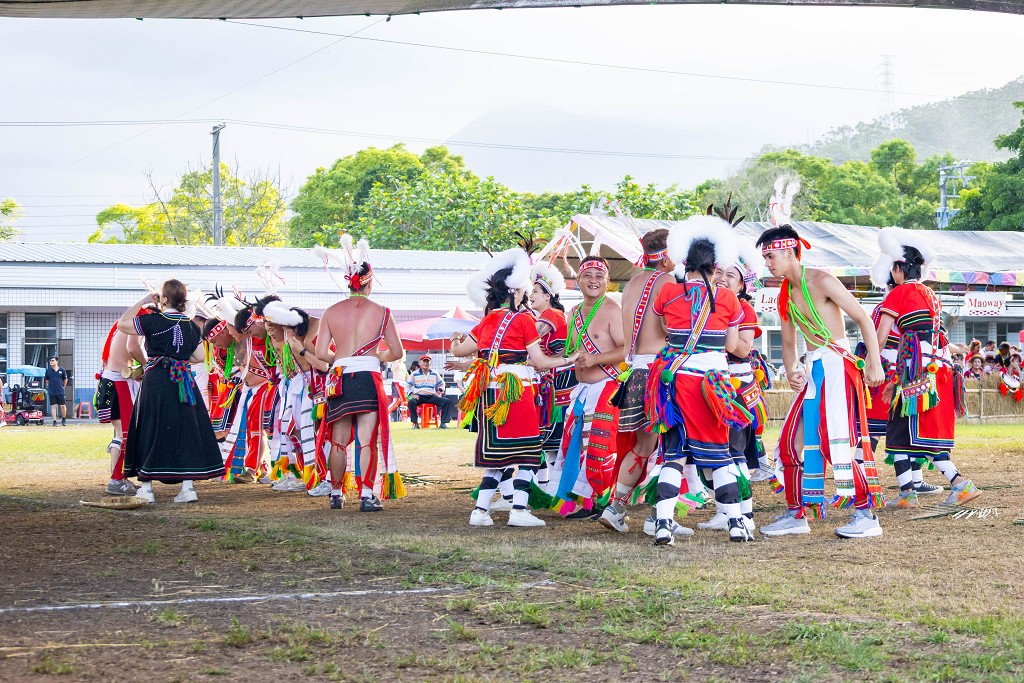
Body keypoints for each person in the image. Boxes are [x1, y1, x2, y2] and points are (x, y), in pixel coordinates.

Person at [756, 224, 886, 539]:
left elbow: (863, 318)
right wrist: (791, 370)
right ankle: (796, 514)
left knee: (835, 441)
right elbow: (788, 346)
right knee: (791, 443)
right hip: (815, 369)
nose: (768, 263)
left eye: (771, 255)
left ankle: (865, 516)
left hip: (838, 367)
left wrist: (875, 362)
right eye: (765, 257)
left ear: (789, 251)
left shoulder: (822, 280)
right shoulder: (784, 294)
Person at [645, 217, 753, 544]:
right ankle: (736, 522)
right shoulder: (728, 300)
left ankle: (663, 523)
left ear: (686, 260)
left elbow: (664, 331)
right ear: (714, 263)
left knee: (673, 454)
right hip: (712, 384)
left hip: (672, 381)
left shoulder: (667, 292)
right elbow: (733, 345)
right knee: (719, 454)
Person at [451, 248, 576, 528]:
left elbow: (460, 350)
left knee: (497, 455)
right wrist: (570, 358)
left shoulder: (485, 321)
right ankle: (519, 509)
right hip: (516, 390)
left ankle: (480, 511)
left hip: (490, 391)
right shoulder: (523, 320)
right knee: (530, 452)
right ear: (513, 291)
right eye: (522, 290)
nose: (525, 294)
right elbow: (540, 360)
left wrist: (453, 340)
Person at [871, 228, 980, 509]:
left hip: (913, 372)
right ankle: (907, 492)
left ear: (898, 268)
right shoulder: (931, 295)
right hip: (935, 370)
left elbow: (880, 335)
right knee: (902, 433)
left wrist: (870, 364)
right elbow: (938, 338)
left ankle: (960, 483)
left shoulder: (898, 293)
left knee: (914, 434)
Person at [315, 236, 406, 512]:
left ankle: (335, 493)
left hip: (340, 377)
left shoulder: (331, 311)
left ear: (349, 280)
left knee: (338, 441)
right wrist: (376, 357)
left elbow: (321, 353)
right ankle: (367, 494)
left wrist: (341, 360)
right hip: (368, 377)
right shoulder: (382, 312)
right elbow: (397, 352)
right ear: (368, 281)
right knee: (367, 441)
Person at [117, 280, 225, 503]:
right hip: (183, 380)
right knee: (185, 429)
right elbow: (199, 358)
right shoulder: (192, 326)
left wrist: (146, 301)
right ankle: (188, 488)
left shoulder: (154, 320)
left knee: (150, 426)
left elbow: (122, 324)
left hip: (157, 379)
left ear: (164, 299)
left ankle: (146, 488)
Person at [597, 229, 673, 535]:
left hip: (636, 371)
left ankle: (615, 507)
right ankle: (659, 517)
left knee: (643, 446)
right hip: (660, 372)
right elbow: (670, 327)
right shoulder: (668, 282)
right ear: (668, 255)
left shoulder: (632, 284)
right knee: (670, 448)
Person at [548, 256, 626, 519]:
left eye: (599, 276)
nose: (594, 280)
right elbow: (572, 349)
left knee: (599, 446)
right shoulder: (573, 312)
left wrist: (594, 359)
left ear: (607, 281)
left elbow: (627, 350)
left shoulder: (612, 309)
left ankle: (602, 501)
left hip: (606, 386)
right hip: (581, 389)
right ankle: (586, 501)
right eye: (588, 275)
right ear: (578, 280)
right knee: (574, 445)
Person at [528, 260, 570, 494]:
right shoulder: (543, 316)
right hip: (550, 384)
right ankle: (548, 488)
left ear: (548, 296)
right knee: (550, 443)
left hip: (560, 383)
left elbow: (528, 341)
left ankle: (556, 489)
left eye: (535, 291)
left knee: (555, 439)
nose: (530, 295)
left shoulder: (552, 314)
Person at [95, 323, 145, 495]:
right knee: (124, 434)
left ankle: (119, 478)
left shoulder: (123, 323)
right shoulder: (136, 324)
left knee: (121, 434)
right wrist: (146, 365)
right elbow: (133, 348)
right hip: (118, 383)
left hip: (113, 381)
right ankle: (116, 479)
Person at [406, 355, 456, 428]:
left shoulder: (434, 373)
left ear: (430, 363)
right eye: (424, 361)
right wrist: (412, 394)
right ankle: (415, 423)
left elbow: (442, 383)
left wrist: (439, 391)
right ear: (420, 363)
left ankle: (443, 423)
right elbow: (407, 385)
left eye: (427, 362)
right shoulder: (414, 374)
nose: (426, 363)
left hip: (431, 396)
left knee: (446, 401)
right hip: (419, 396)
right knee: (411, 402)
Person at [44, 357, 69, 427]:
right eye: (50, 361)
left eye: (52, 361)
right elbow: (47, 380)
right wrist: (50, 386)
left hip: (60, 391)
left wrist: (63, 387)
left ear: (56, 361)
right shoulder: (48, 371)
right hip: (52, 391)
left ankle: (63, 418)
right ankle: (54, 421)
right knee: (54, 406)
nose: (51, 362)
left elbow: (65, 379)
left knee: (62, 406)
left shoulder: (62, 370)